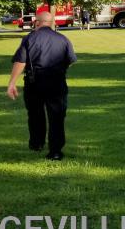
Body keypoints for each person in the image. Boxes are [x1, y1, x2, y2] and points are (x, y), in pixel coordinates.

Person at [6, 11, 77, 160]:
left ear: (36, 22)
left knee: (35, 114)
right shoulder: (63, 39)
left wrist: (12, 83)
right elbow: (70, 60)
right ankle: (55, 151)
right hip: (57, 83)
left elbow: (20, 61)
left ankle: (37, 144)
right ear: (52, 23)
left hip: (34, 82)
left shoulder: (29, 39)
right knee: (57, 117)